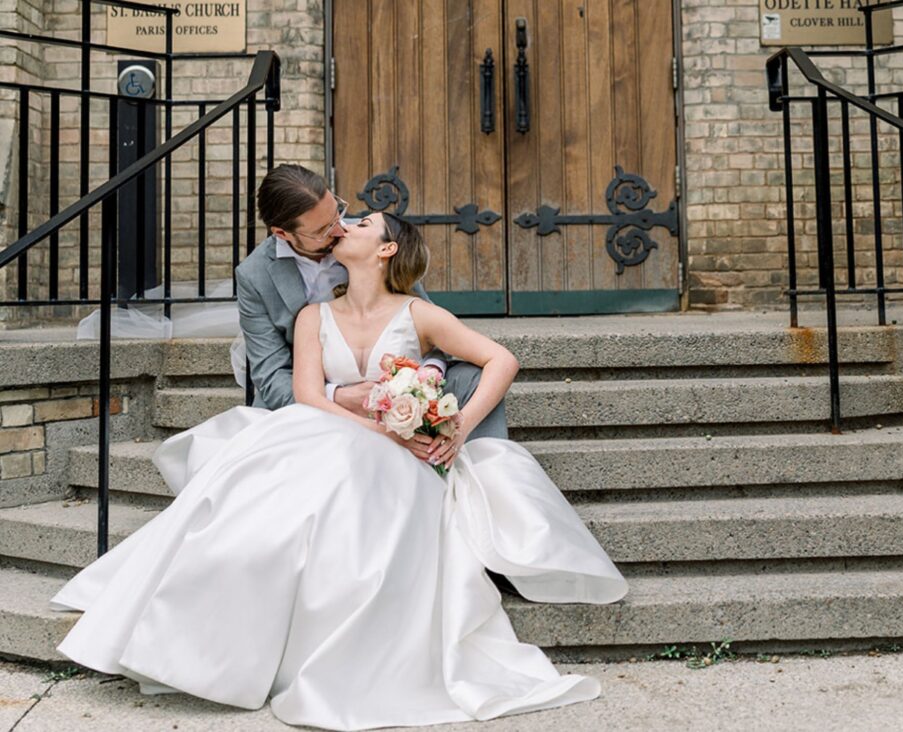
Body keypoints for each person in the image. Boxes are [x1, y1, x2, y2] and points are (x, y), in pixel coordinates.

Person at [48, 209, 628, 731]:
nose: (346, 224)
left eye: (364, 223)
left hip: (395, 461)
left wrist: (459, 426)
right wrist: (376, 427)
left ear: (386, 250)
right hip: (326, 429)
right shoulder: (312, 316)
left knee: (343, 501)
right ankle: (192, 635)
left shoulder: (419, 313)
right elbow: (306, 394)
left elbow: (502, 359)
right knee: (259, 502)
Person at [236, 163, 507, 445]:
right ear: (283, 234)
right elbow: (272, 376)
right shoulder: (255, 277)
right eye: (323, 230)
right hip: (312, 396)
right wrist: (338, 396)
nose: (340, 229)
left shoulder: (365, 238)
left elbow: (427, 330)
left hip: (394, 390)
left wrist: (420, 382)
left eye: (337, 213)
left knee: (474, 377)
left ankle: (482, 460)